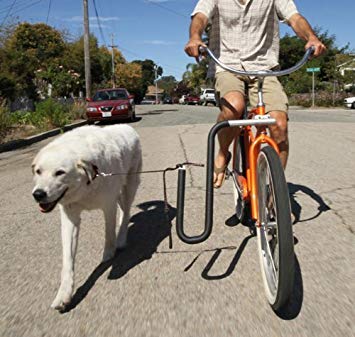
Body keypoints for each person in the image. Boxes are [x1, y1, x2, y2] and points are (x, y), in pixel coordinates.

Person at [185, 0, 326, 188]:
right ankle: (223, 152)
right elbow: (200, 17)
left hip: (264, 68)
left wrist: (311, 37)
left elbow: (295, 18)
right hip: (227, 65)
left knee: (279, 124)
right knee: (234, 106)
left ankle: (274, 192)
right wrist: (195, 37)